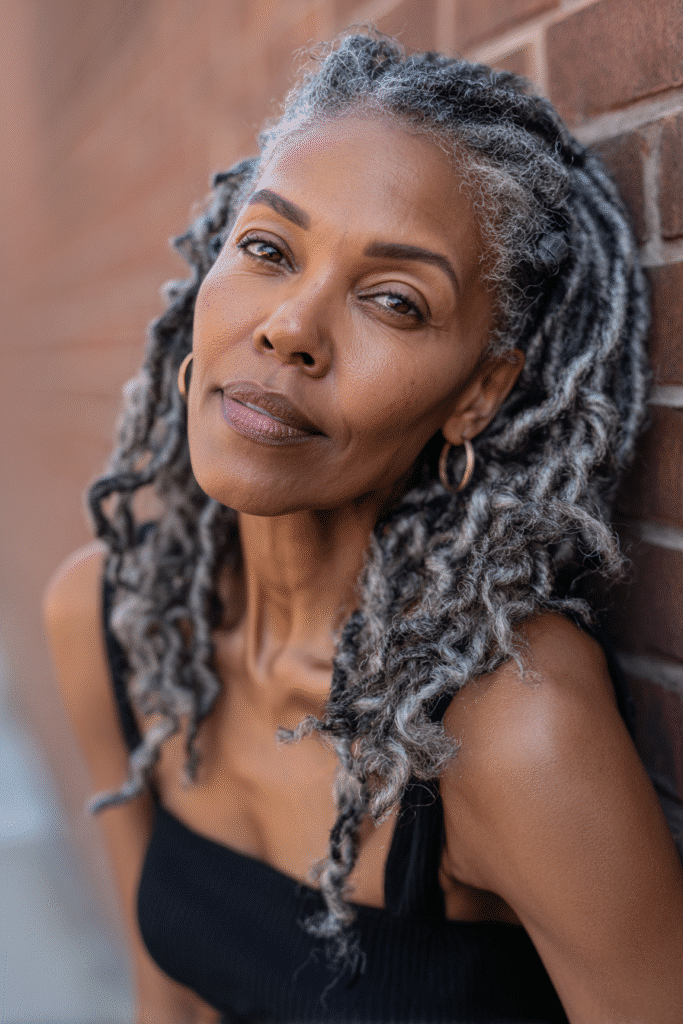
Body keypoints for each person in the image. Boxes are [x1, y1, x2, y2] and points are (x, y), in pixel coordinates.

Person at [43, 30, 683, 1024]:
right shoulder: (111, 619)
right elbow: (165, 1001)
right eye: (265, 248)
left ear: (477, 393)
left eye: (392, 300)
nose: (290, 325)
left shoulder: (510, 725)